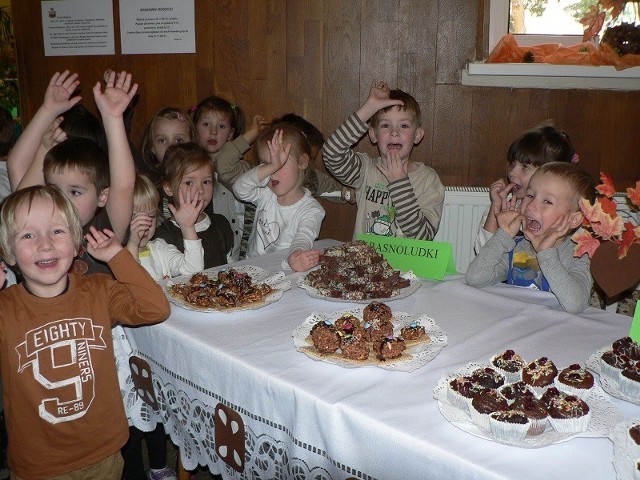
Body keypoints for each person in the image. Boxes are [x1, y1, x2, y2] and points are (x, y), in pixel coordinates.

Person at [0, 185, 170, 479]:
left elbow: (155, 308)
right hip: (39, 464)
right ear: (9, 253)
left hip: (104, 451)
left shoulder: (99, 291)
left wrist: (118, 256)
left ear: (77, 240)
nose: (45, 244)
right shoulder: (5, 308)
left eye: (57, 231)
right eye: (28, 235)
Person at [6, 70, 138, 274]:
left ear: (102, 196)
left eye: (75, 192)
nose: (62, 200)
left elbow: (124, 184)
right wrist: (47, 112)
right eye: (53, 189)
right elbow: (17, 167)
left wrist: (113, 118)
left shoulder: (103, 231)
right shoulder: (33, 232)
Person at [118, 173, 203, 480]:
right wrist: (128, 244)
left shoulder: (160, 249)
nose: (145, 225)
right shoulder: (118, 258)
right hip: (130, 357)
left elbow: (193, 271)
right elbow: (126, 278)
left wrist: (188, 227)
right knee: (133, 421)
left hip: (164, 352)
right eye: (135, 218)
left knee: (157, 415)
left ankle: (159, 465)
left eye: (150, 217)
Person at [465, 162, 597, 314]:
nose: (531, 206)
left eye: (547, 201)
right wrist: (503, 236)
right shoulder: (516, 246)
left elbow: (575, 304)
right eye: (530, 195)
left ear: (573, 220)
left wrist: (546, 253)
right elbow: (475, 278)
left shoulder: (579, 255)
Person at [323, 80, 444, 239]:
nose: (394, 132)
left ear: (417, 135)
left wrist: (399, 182)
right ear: (373, 134)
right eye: (386, 126)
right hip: (365, 262)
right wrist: (369, 108)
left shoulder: (428, 179)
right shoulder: (366, 170)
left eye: (404, 126)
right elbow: (332, 153)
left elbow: (423, 237)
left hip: (405, 264)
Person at [233, 125, 325, 272]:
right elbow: (239, 189)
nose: (272, 172)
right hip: (252, 270)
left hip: (285, 272)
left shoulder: (311, 210)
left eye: (279, 164)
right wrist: (271, 166)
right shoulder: (265, 194)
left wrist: (297, 255)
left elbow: (303, 237)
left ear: (302, 162)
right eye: (267, 165)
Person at [474, 124, 578, 253]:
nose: (512, 173)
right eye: (513, 164)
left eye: (525, 167)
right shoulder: (506, 206)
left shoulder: (563, 213)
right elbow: (482, 255)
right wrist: (495, 207)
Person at [191, 95, 260, 260]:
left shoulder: (237, 167)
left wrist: (252, 133)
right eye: (206, 124)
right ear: (195, 129)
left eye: (221, 126)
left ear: (230, 135)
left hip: (232, 248)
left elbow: (224, 162)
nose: (213, 132)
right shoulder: (190, 164)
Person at [153, 142, 234, 269]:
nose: (200, 190)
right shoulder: (164, 237)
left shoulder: (220, 224)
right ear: (169, 188)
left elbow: (229, 264)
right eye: (189, 183)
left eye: (206, 182)